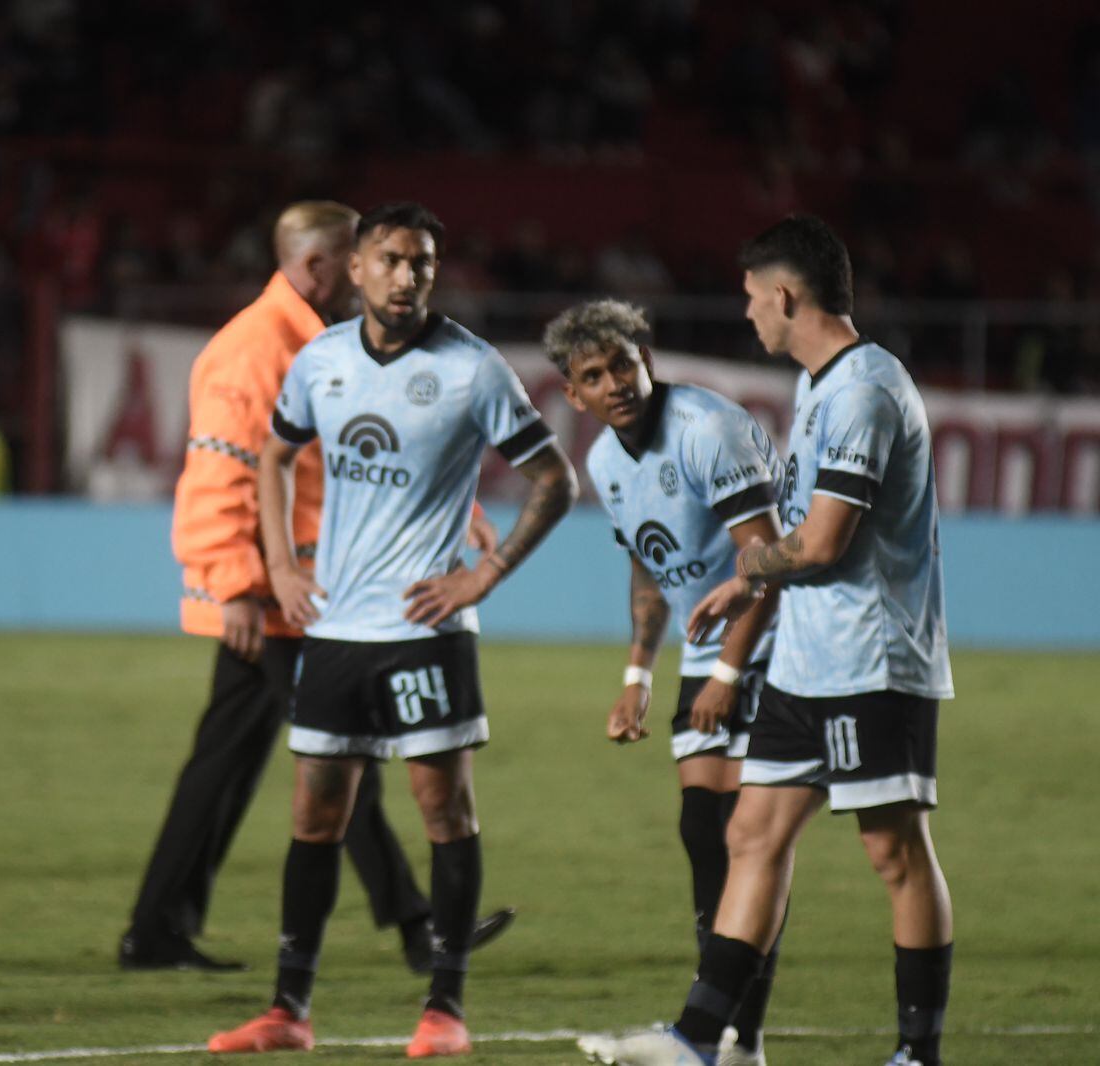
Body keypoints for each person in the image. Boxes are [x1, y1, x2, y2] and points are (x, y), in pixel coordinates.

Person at [580, 216, 954, 1066]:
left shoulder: (863, 390)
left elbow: (820, 544)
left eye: (754, 298)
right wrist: (749, 583)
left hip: (871, 658)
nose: (749, 314)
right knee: (750, 835)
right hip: (806, 661)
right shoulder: (819, 385)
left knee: (894, 851)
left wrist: (749, 569)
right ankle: (701, 1041)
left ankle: (916, 1053)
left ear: (786, 296)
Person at [209, 202, 576, 1058]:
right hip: (337, 628)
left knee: (441, 806)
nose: (409, 276)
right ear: (360, 268)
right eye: (393, 259)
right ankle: (288, 1012)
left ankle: (445, 1010)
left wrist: (484, 574)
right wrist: (283, 569)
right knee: (314, 813)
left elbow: (554, 479)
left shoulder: (472, 369)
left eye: (424, 263)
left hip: (426, 630)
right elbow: (273, 454)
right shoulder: (320, 360)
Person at [123, 200, 512, 973]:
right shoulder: (254, 349)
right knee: (342, 758)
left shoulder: (314, 344)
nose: (377, 275)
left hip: (307, 593)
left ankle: (157, 930)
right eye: (362, 260)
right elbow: (218, 474)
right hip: (274, 600)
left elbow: (367, 449)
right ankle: (417, 926)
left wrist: (456, 507)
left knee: (232, 765)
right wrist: (234, 584)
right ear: (321, 266)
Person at [549, 299, 785, 1066]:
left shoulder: (705, 430)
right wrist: (637, 674)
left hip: (782, 643)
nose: (615, 382)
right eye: (594, 375)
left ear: (646, 357)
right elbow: (649, 569)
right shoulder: (604, 462)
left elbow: (767, 560)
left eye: (623, 362)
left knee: (749, 842)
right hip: (704, 649)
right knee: (705, 835)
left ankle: (722, 1036)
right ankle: (730, 1038)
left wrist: (726, 673)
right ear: (573, 393)